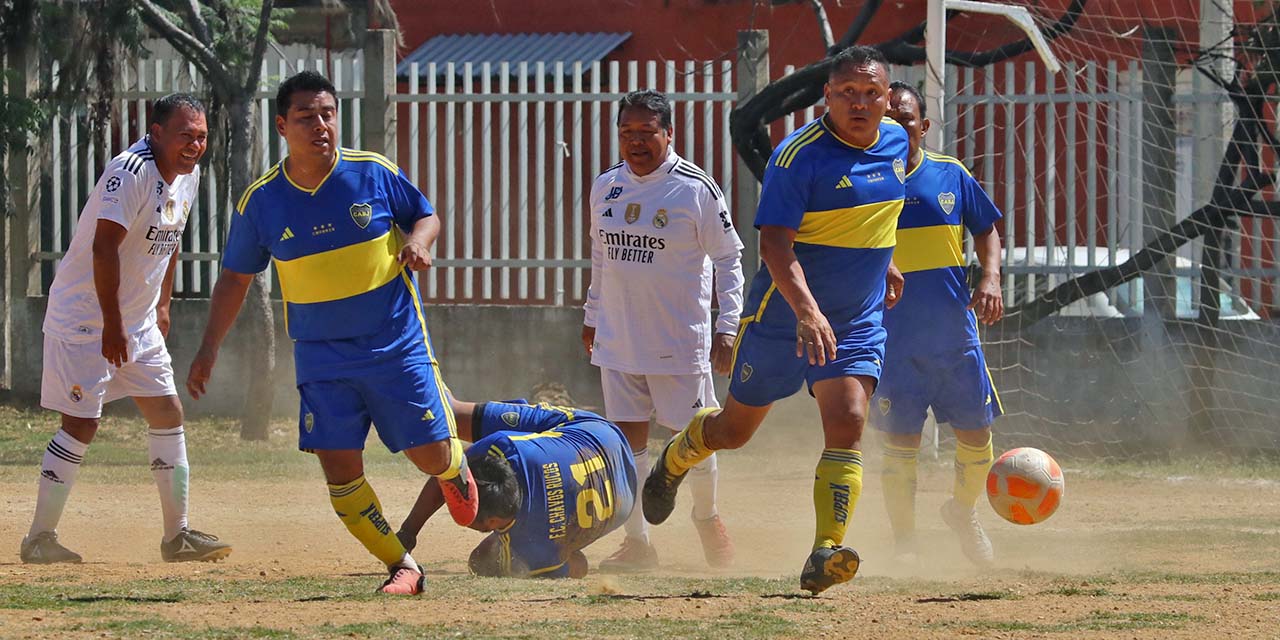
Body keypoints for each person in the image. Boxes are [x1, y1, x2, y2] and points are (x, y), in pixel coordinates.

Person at [185, 71, 475, 596]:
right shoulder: (263, 201)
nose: (320, 125)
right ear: (281, 126)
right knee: (340, 473)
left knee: (429, 456)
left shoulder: (372, 173)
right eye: (306, 117)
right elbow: (234, 278)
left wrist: (419, 242)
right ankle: (402, 565)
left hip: (394, 343)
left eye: (327, 114)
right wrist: (208, 348)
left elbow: (426, 215)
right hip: (320, 357)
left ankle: (453, 470)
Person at [642, 46, 908, 595]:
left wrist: (888, 261)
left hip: (855, 319)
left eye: (871, 94)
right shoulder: (798, 157)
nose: (860, 104)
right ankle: (677, 455)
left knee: (849, 418)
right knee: (733, 432)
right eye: (846, 94)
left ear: (887, 99)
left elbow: (877, 210)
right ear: (827, 98)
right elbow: (774, 244)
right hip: (784, 317)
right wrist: (806, 310)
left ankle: (825, 551)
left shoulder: (898, 142)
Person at [21, 93, 232, 564]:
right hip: (86, 319)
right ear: (156, 133)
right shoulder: (130, 172)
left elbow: (172, 235)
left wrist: (163, 302)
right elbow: (103, 249)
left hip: (135, 321)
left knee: (168, 413)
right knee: (81, 423)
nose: (195, 145)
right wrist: (112, 324)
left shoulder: (188, 173)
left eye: (201, 136)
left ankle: (176, 537)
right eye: (185, 135)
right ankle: (38, 539)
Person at [581, 89, 744, 572]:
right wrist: (592, 316)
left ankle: (707, 517)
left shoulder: (696, 188)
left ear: (668, 134)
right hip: (619, 339)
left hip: (680, 342)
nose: (636, 142)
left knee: (697, 437)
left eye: (646, 132)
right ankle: (639, 543)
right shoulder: (605, 185)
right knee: (627, 444)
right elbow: (601, 258)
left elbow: (729, 258)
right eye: (626, 132)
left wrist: (728, 325)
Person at [877, 81, 1005, 568]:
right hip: (893, 341)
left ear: (923, 126)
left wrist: (990, 278)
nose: (895, 127)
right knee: (901, 442)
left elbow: (986, 229)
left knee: (977, 436)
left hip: (954, 336)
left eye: (904, 119)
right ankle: (905, 543)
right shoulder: (864, 181)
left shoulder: (950, 174)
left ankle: (962, 511)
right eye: (886, 120)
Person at [396, 398, 634, 578]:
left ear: (492, 524)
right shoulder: (507, 449)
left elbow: (580, 566)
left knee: (484, 562)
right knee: (454, 415)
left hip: (621, 489)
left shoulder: (534, 549)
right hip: (600, 436)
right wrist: (408, 532)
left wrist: (408, 532)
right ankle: (428, 384)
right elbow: (449, 470)